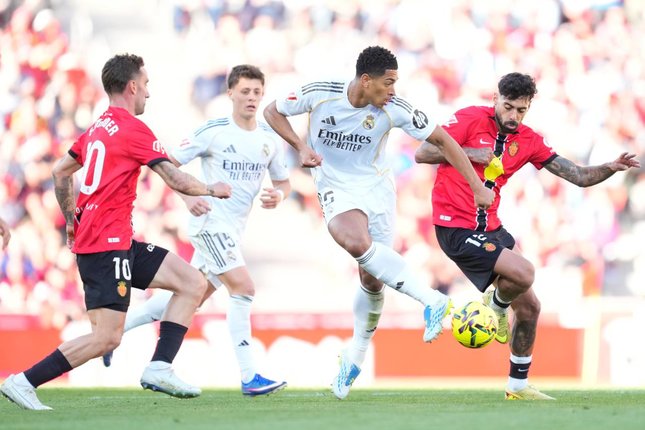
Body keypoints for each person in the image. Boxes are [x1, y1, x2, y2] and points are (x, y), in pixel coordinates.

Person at [0, 53, 232, 410]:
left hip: (115, 240)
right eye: (146, 85)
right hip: (106, 246)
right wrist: (211, 188)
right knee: (106, 338)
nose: (148, 93)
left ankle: (160, 367)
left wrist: (71, 221)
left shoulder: (98, 127)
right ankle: (23, 381)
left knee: (192, 282)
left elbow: (61, 171)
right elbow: (172, 176)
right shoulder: (132, 128)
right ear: (132, 86)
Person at [263, 46, 494, 400]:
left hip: (376, 190)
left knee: (372, 280)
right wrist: (299, 145)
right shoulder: (321, 92)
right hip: (335, 186)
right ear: (366, 81)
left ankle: (353, 357)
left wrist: (477, 186)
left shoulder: (395, 108)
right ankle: (433, 300)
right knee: (354, 241)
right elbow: (272, 111)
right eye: (388, 83)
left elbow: (443, 141)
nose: (393, 90)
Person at [415, 72, 640, 400]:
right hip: (455, 227)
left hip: (490, 227)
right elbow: (423, 153)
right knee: (525, 272)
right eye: (508, 107)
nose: (513, 116)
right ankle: (494, 306)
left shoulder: (529, 140)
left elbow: (577, 176)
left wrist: (610, 167)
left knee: (531, 306)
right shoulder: (469, 118)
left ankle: (517, 386)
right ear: (495, 99)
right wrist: (469, 153)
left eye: (521, 110)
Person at [102, 64, 290, 396]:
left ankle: (113, 334)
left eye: (257, 92)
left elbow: (283, 182)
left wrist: (279, 195)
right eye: (245, 91)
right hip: (210, 224)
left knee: (187, 297)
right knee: (244, 288)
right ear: (230, 93)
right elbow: (168, 166)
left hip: (233, 231)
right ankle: (249, 376)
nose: (251, 97)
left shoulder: (268, 140)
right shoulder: (213, 131)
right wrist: (189, 199)